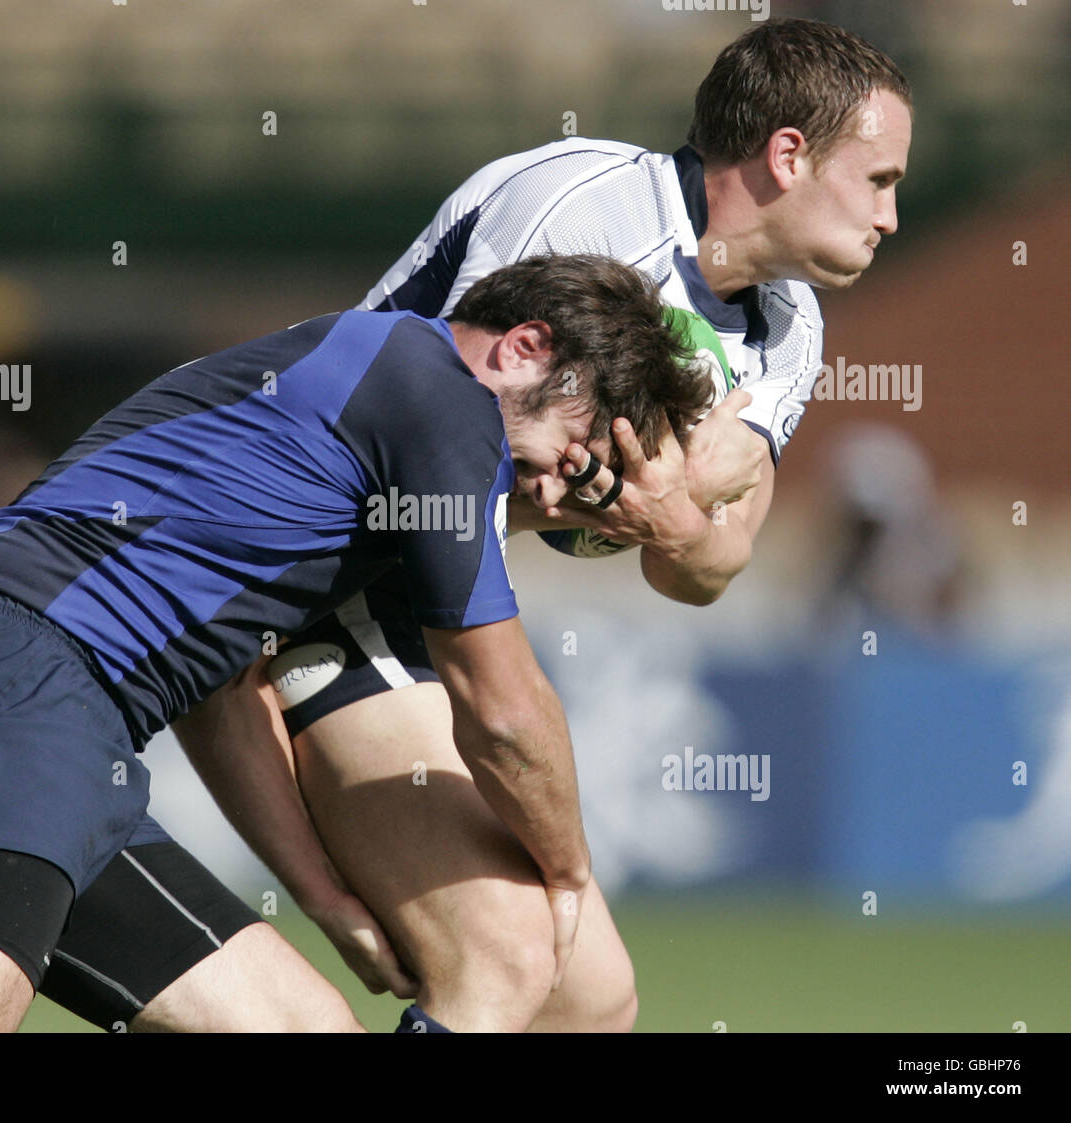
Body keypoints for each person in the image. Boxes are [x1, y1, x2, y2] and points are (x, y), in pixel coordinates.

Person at [169, 17, 914, 1033]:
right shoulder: (583, 200)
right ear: (789, 154)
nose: (891, 216)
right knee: (510, 958)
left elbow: (711, 566)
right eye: (878, 181)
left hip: (432, 598)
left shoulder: (792, 330)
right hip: (331, 571)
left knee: (593, 998)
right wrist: (684, 485)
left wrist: (670, 513)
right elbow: (455, 430)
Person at [0, 254, 709, 1032]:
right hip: (5, 692)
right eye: (573, 446)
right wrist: (569, 874)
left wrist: (322, 895)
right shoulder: (440, 392)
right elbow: (504, 712)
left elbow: (219, 693)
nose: (559, 494)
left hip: (67, 740)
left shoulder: (340, 412)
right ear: (523, 346)